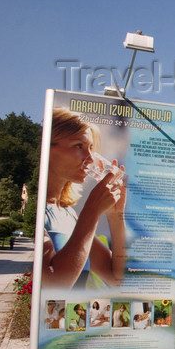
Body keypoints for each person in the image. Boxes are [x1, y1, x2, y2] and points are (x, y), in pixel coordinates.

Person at [42, 108, 127, 290]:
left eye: (90, 148)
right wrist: (92, 210)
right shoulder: (40, 211)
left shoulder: (67, 214)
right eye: (78, 146)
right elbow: (55, 285)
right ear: (47, 147)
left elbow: (117, 278)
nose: (90, 158)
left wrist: (116, 214)